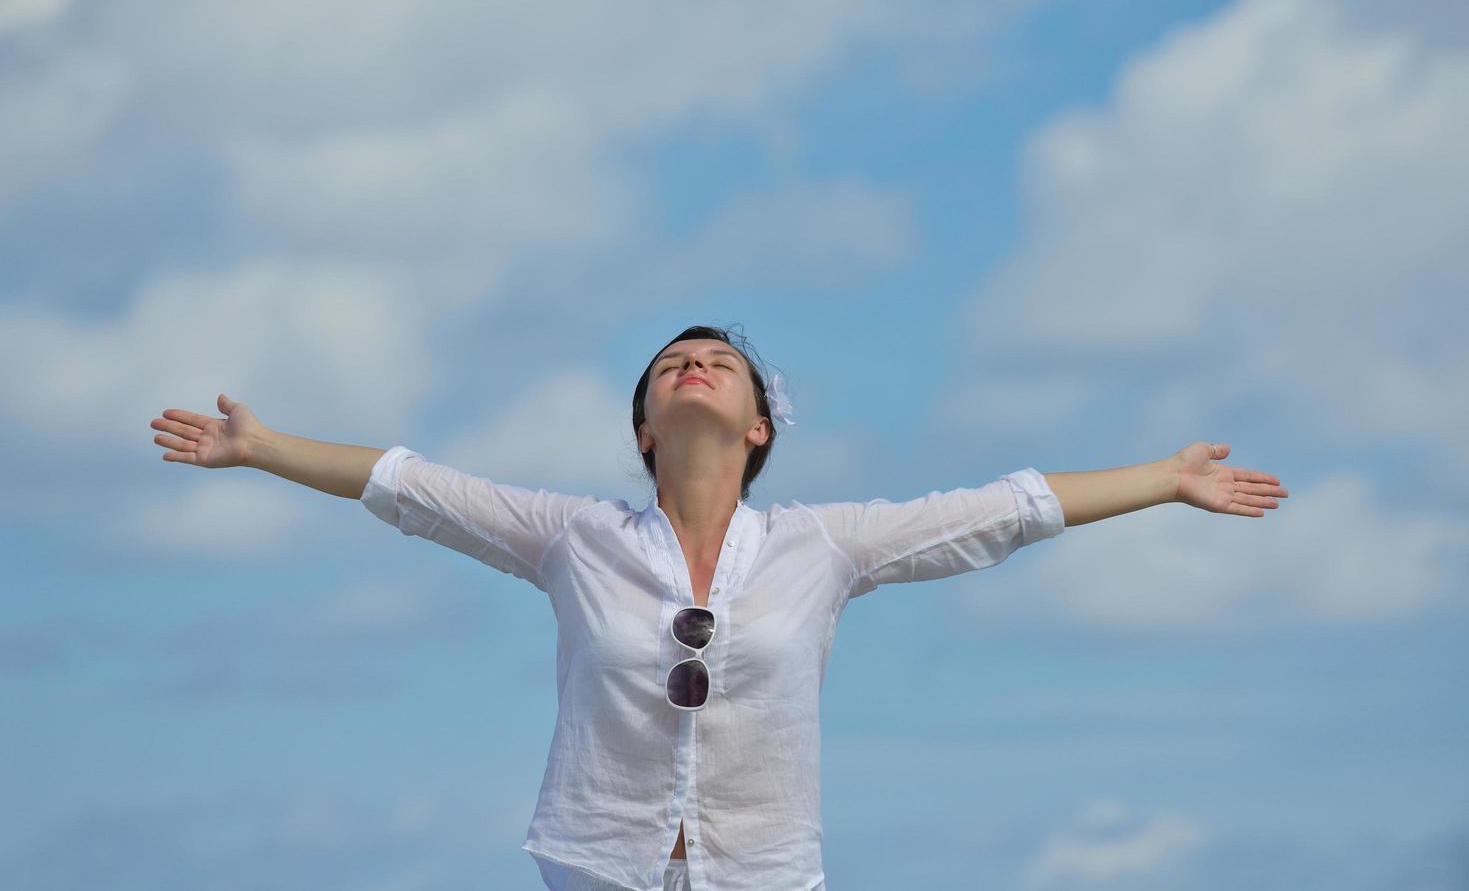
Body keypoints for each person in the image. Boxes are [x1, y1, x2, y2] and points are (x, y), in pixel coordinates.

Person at [149, 324, 1288, 891]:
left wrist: (1165, 478)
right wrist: (259, 449)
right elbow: (409, 484)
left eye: (718, 361)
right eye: (670, 362)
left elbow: (1004, 509)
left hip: (765, 870)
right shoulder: (572, 534)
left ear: (755, 427)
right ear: (644, 424)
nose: (692, 363)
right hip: (593, 860)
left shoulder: (823, 544)